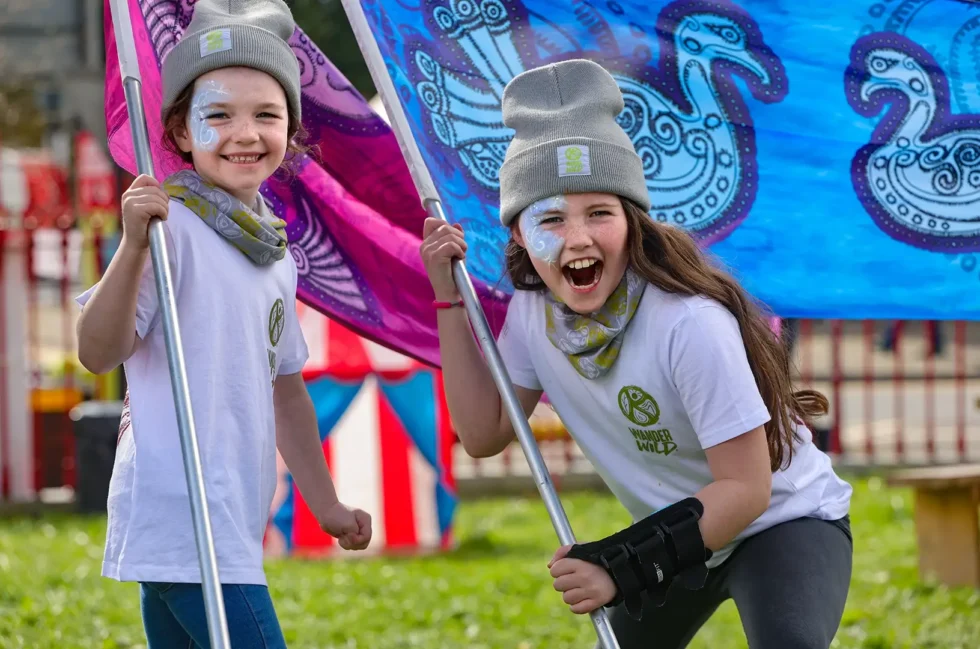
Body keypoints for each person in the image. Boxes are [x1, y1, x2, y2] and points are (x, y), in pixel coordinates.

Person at [420, 59, 853, 649]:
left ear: (633, 219)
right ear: (518, 232)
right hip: (679, 536)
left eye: (599, 212)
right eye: (550, 218)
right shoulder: (531, 313)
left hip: (778, 521)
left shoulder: (688, 322)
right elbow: (483, 434)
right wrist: (448, 299)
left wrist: (619, 568)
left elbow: (746, 490)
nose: (577, 238)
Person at [75, 1, 372, 646]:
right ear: (180, 132)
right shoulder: (168, 229)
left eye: (267, 114)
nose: (245, 133)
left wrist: (325, 503)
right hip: (183, 516)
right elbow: (97, 352)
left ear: (291, 129)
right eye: (218, 115)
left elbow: (285, 390)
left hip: (234, 516)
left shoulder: (274, 254)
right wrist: (133, 246)